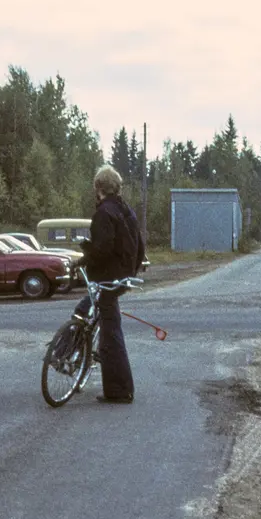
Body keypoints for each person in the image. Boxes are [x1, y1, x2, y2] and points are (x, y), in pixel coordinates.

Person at [73, 164, 146, 404]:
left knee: (110, 335)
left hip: (106, 277)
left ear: (98, 188)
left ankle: (119, 390)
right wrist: (132, 269)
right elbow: (140, 245)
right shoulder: (127, 211)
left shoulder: (104, 213)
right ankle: (76, 355)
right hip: (121, 277)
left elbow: (102, 249)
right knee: (88, 311)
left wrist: (84, 257)